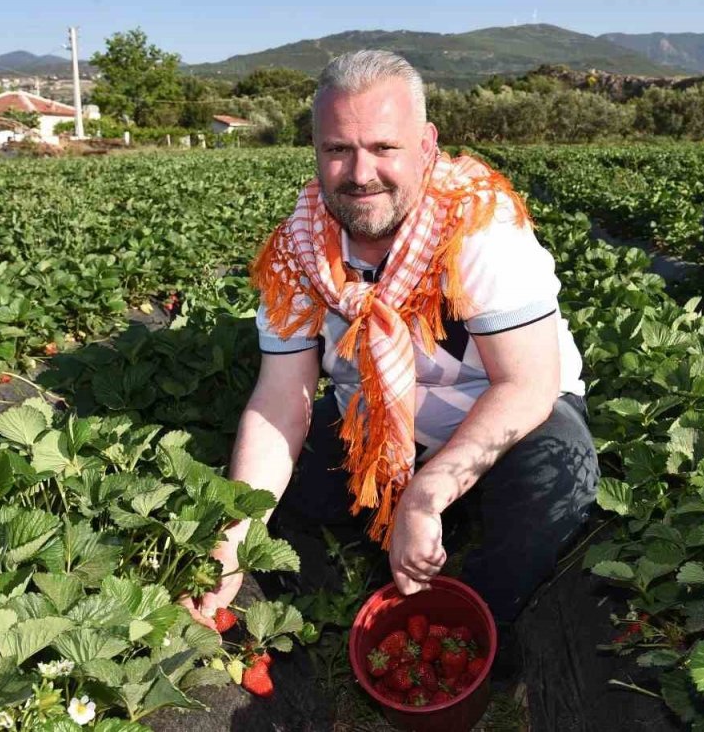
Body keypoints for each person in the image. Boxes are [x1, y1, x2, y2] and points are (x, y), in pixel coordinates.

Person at [182, 50, 599, 637]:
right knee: (285, 488)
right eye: (338, 149)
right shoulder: (298, 250)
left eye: (384, 147)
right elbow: (280, 403)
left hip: (509, 419)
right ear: (315, 150)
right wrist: (233, 536)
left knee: (557, 477)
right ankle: (348, 599)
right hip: (376, 423)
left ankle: (478, 623)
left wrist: (426, 493)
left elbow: (526, 386)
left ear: (425, 146)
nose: (361, 173)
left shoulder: (478, 228)